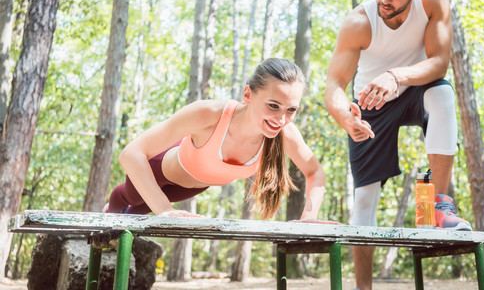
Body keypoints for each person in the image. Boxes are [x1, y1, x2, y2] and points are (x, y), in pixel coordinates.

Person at [324, 0, 472, 290]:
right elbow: (334, 84)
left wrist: (397, 76)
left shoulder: (434, 0)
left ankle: (435, 208)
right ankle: (364, 288)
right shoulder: (359, 22)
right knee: (364, 201)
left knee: (443, 94)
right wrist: (346, 116)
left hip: (415, 87)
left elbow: (439, 63)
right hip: (372, 101)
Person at [106, 58, 328, 223]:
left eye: (291, 110)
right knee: (132, 199)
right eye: (273, 106)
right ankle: (111, 207)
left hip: (195, 184)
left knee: (139, 211)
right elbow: (131, 153)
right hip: (158, 167)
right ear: (248, 95)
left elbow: (315, 172)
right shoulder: (208, 113)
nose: (281, 119)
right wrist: (164, 210)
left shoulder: (285, 133)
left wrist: (309, 215)